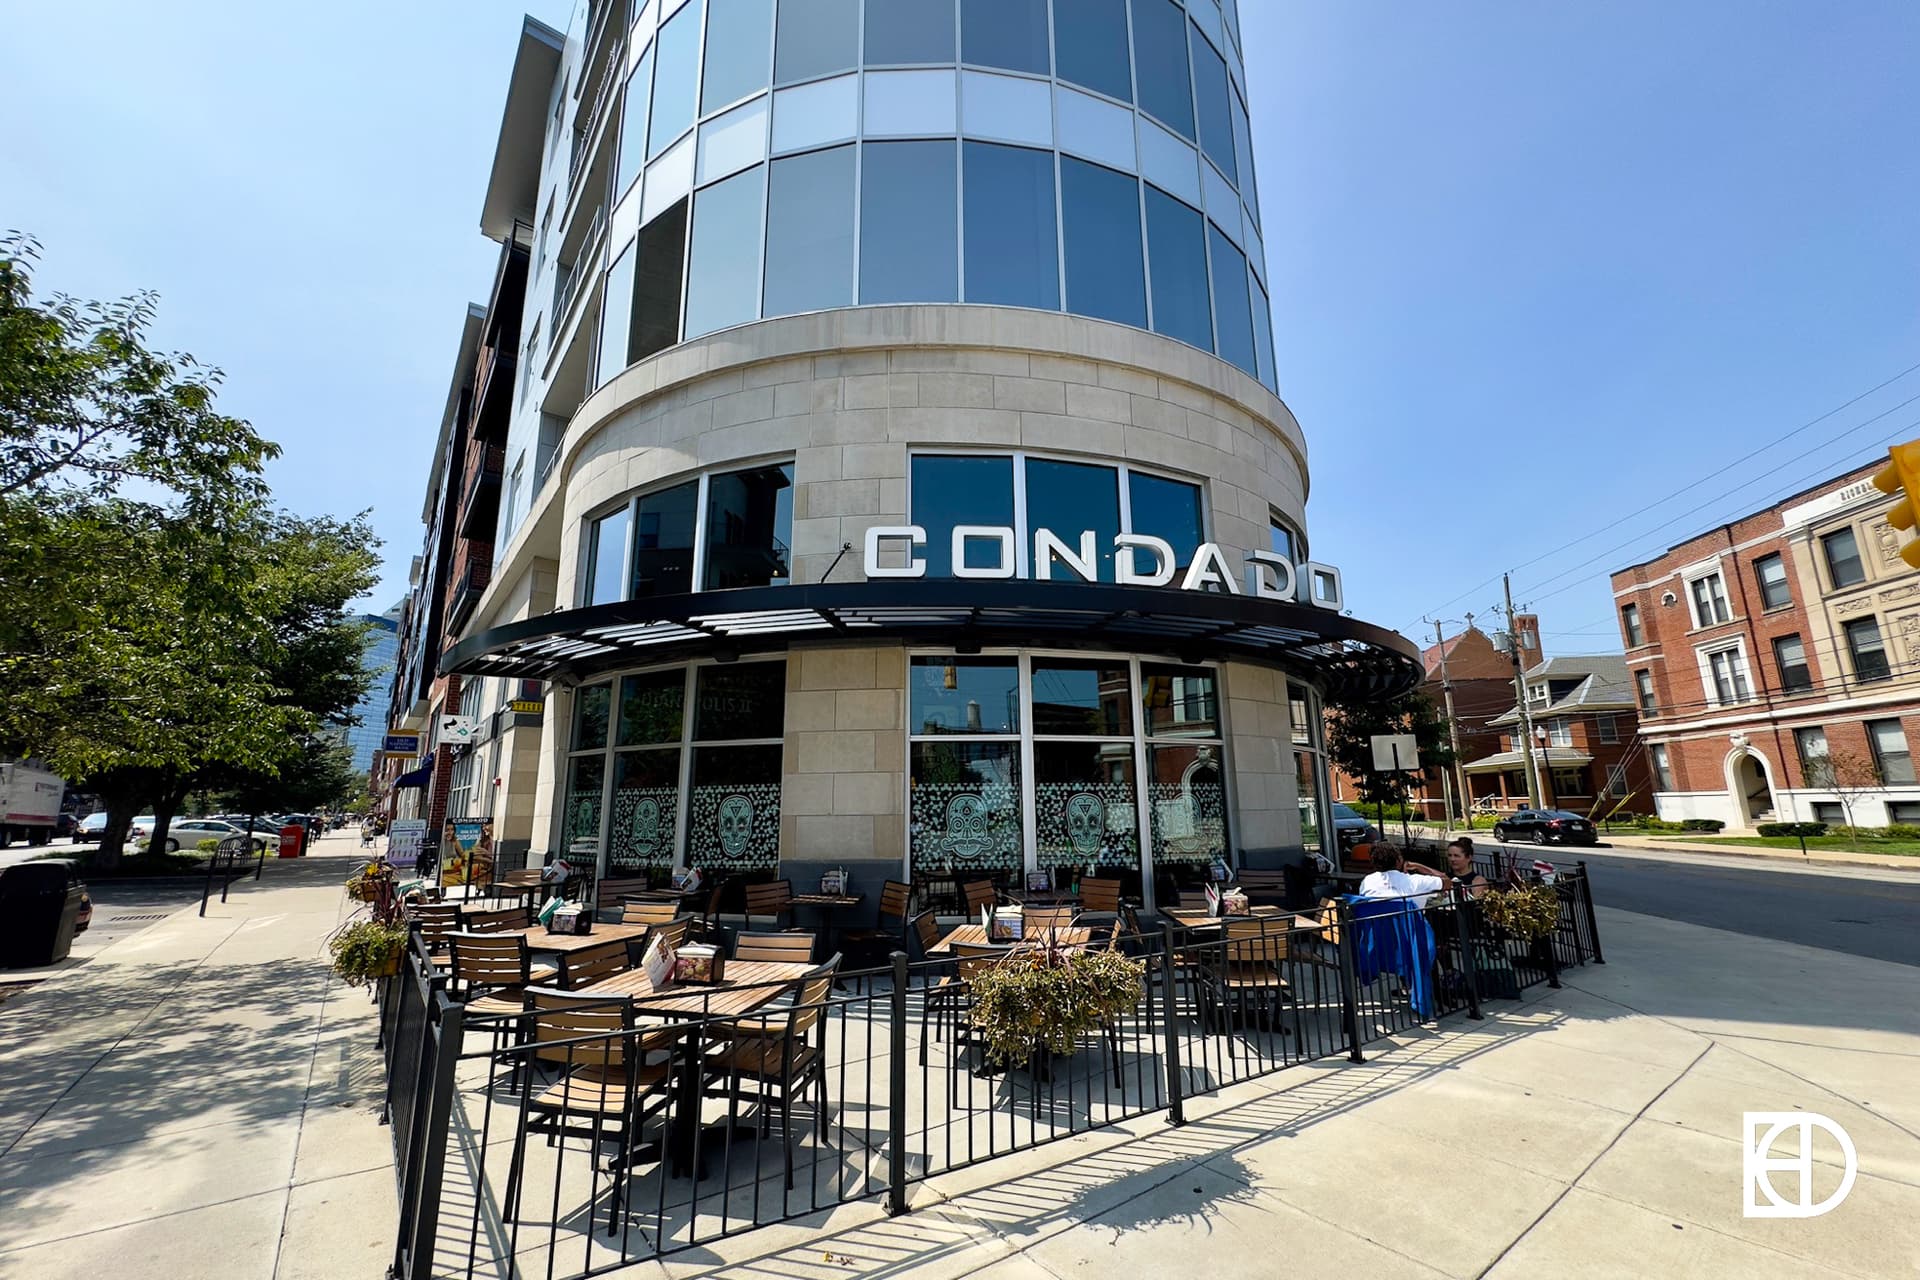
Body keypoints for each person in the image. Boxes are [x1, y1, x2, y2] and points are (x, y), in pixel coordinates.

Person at [1356, 844, 1449, 907]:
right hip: (1410, 932)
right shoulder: (1415, 881)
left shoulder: (1367, 881)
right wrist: (1418, 866)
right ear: (1399, 860)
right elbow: (1447, 881)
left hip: (1376, 933)